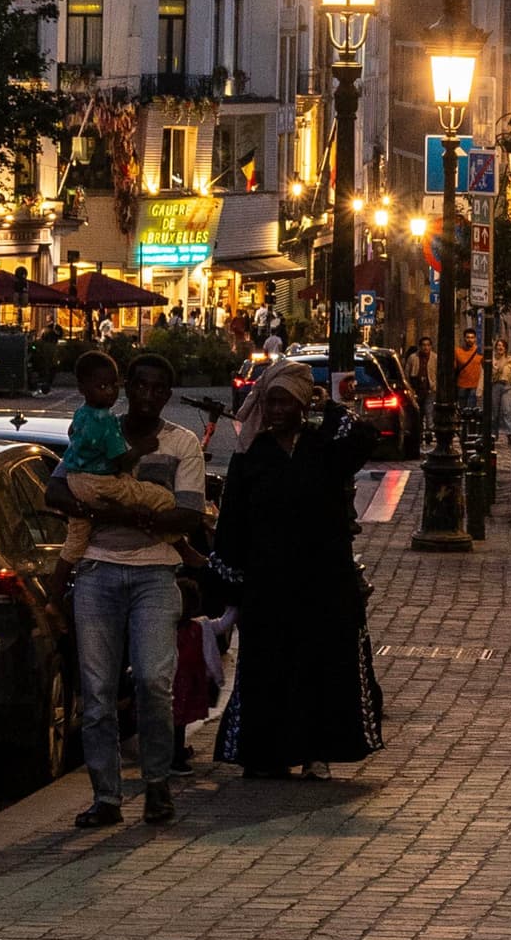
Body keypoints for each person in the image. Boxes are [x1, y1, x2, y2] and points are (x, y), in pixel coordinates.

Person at [210, 360, 383, 779]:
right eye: (270, 401)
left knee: (320, 666)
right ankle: (268, 753)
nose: (276, 410)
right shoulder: (252, 457)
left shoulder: (323, 448)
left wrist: (332, 406)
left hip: (323, 581)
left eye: (285, 401)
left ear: (302, 404)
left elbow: (364, 439)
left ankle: (316, 753)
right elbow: (232, 523)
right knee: (270, 668)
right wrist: (229, 587)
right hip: (269, 584)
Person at [66, 353, 207, 831]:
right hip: (97, 572)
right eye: (140, 386)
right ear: (126, 386)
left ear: (167, 395)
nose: (148, 395)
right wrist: (143, 518)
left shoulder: (182, 443)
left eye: (158, 389)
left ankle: (157, 785)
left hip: (155, 575)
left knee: (152, 682)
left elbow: (189, 514)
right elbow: (58, 491)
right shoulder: (97, 428)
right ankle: (106, 796)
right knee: (99, 693)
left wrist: (116, 513)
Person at [49, 349, 178, 576]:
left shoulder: (81, 414)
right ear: (82, 388)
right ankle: (181, 546)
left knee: (76, 538)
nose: (109, 392)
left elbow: (72, 435)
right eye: (102, 387)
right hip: (100, 484)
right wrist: (142, 449)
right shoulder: (107, 422)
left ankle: (55, 593)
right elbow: (121, 463)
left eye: (112, 386)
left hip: (75, 481)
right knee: (161, 497)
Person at [492, 337, 511, 440]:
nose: (500, 347)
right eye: (498, 345)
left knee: (507, 410)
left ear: (505, 348)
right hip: (495, 386)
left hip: (507, 387)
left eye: (502, 346)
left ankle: (510, 432)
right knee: (494, 411)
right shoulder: (492, 360)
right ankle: (493, 433)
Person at [453, 327, 484, 418]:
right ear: (464, 338)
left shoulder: (479, 352)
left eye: (472, 337)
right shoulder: (457, 351)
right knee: (462, 410)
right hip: (461, 385)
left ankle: (469, 429)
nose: (470, 340)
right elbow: (454, 368)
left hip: (474, 385)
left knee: (471, 410)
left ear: (475, 339)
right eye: (468, 337)